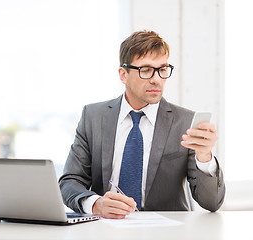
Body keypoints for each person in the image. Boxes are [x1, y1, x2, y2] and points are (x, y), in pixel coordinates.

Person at [59, 30, 225, 219]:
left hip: (166, 232)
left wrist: (204, 157)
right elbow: (70, 182)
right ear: (123, 75)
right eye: (145, 70)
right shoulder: (93, 117)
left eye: (162, 69)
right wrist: (96, 204)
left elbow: (212, 203)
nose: (156, 79)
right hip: (105, 229)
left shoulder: (185, 123)